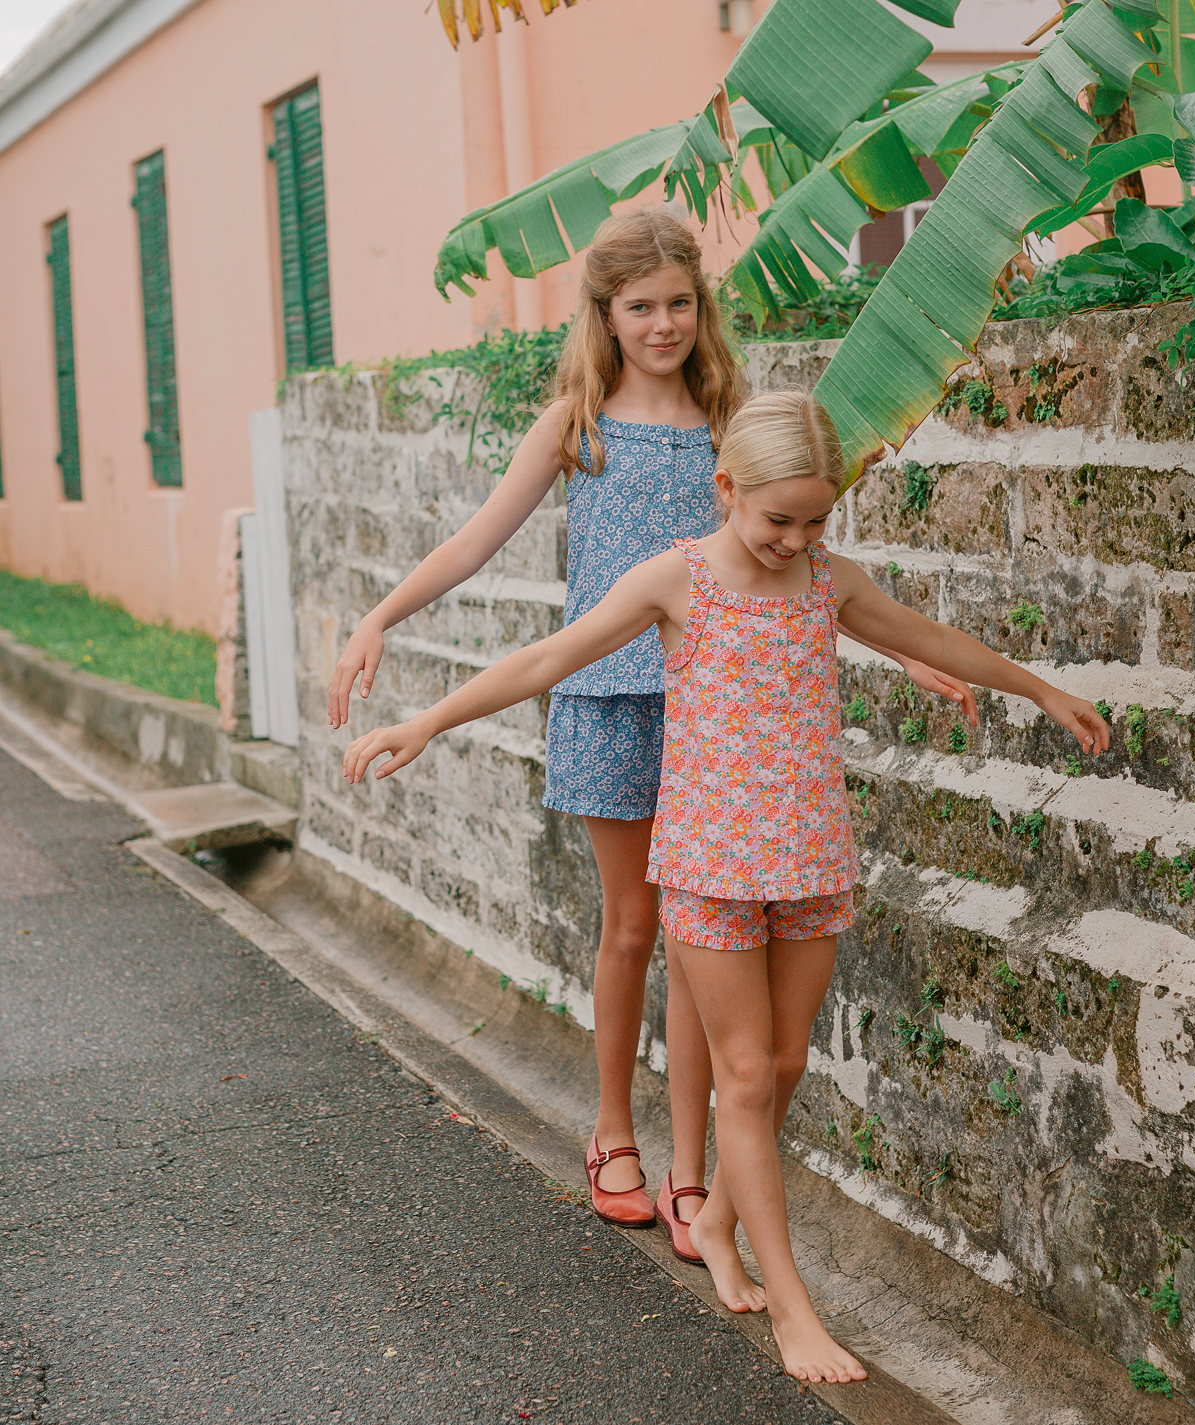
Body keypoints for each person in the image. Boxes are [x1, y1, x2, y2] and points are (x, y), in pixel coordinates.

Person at [340, 390, 1112, 1383]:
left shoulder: (827, 582)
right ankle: (790, 1306)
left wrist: (1040, 688)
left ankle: (709, 1217)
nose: (794, 538)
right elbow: (549, 656)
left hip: (810, 861)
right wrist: (428, 721)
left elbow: (926, 637)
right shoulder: (677, 582)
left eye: (814, 520)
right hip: (708, 868)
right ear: (726, 490)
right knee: (746, 1078)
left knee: (785, 1065)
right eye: (775, 519)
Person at [326, 208, 973, 1268]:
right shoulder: (575, 421)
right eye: (640, 307)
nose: (663, 323)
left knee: (699, 936)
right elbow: (474, 540)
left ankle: (689, 1168)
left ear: (699, 307)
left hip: (717, 709)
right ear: (606, 314)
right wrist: (379, 618)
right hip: (605, 698)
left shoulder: (730, 414)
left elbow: (793, 561)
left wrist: (905, 650)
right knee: (634, 926)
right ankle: (613, 1132)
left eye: (679, 303)